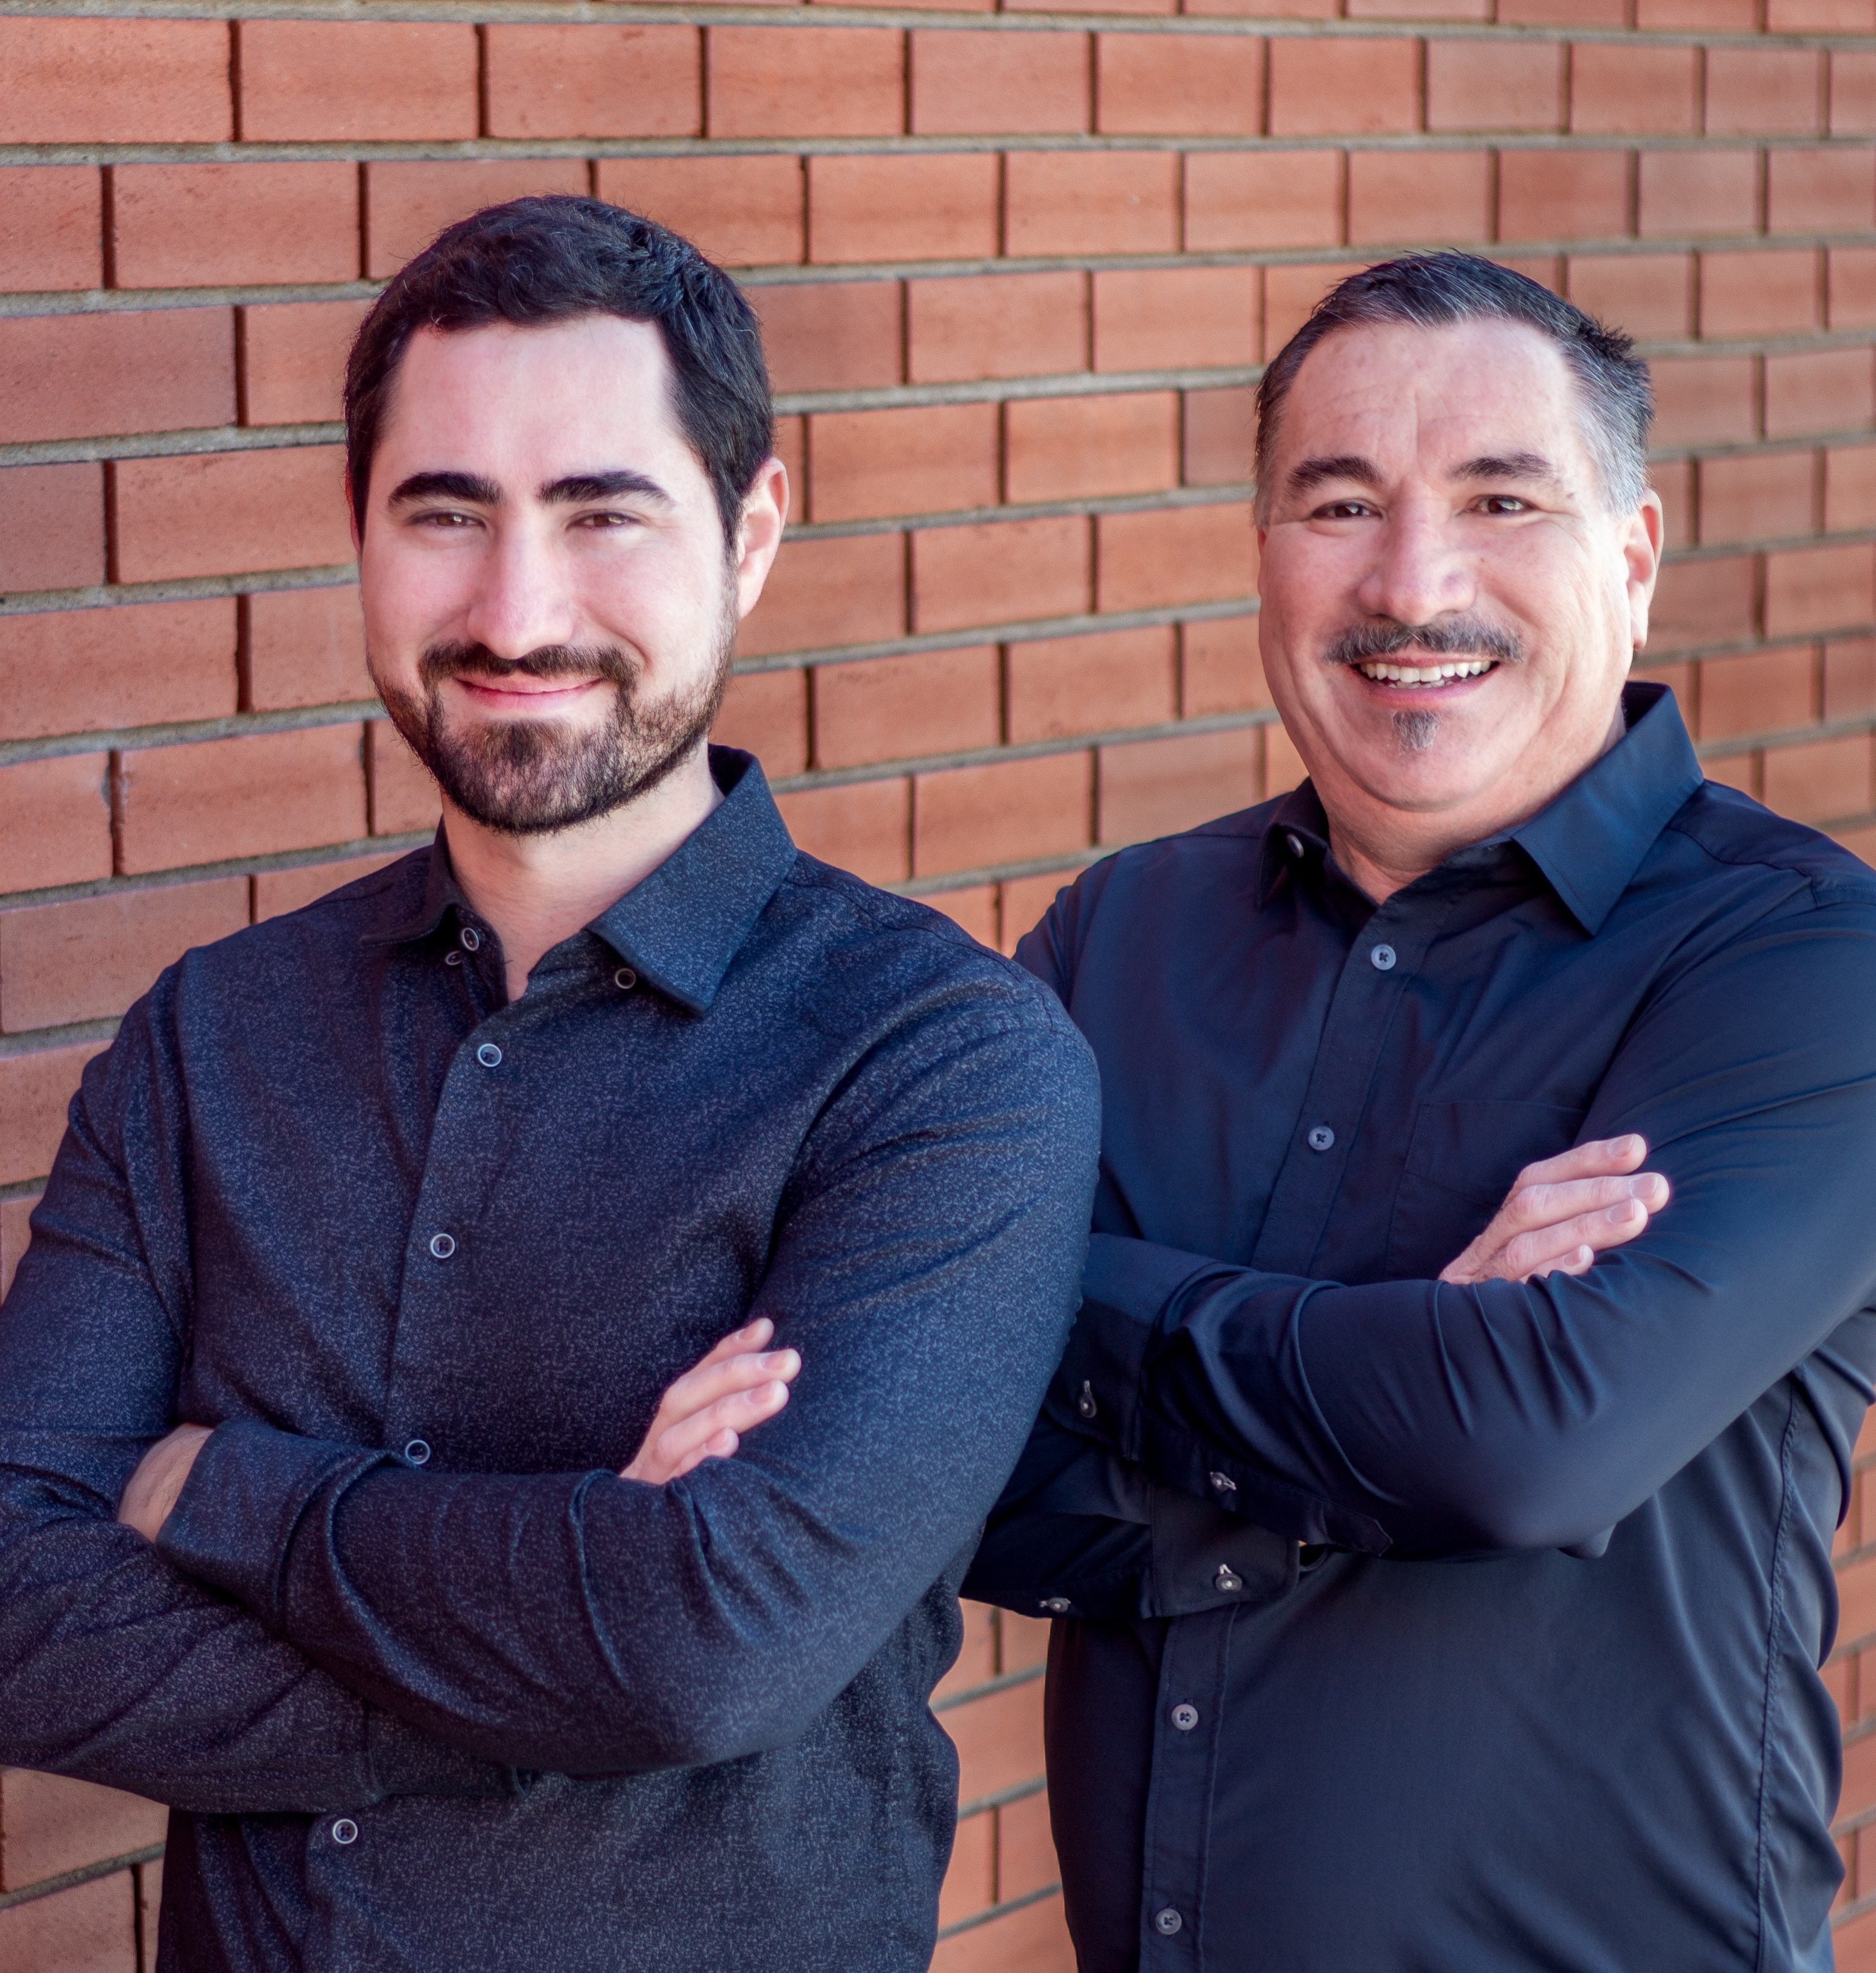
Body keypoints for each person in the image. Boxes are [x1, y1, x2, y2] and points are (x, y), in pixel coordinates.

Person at [0, 196, 1103, 1972]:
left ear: (750, 536)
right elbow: (14, 1601)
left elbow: (706, 1647)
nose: (516, 612)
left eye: (603, 513)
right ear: (359, 533)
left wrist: (227, 1498)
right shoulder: (210, 1038)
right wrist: (571, 1633)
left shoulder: (940, 1062)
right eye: (447, 514)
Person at [958, 253, 1876, 1969]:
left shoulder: (1808, 963)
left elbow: (1523, 1448)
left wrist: (1056, 1313)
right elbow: (918, 1444)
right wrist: (1400, 1375)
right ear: (1263, 551)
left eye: (1500, 499)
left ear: (1634, 555)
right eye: (1341, 504)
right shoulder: (1121, 936)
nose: (1412, 582)